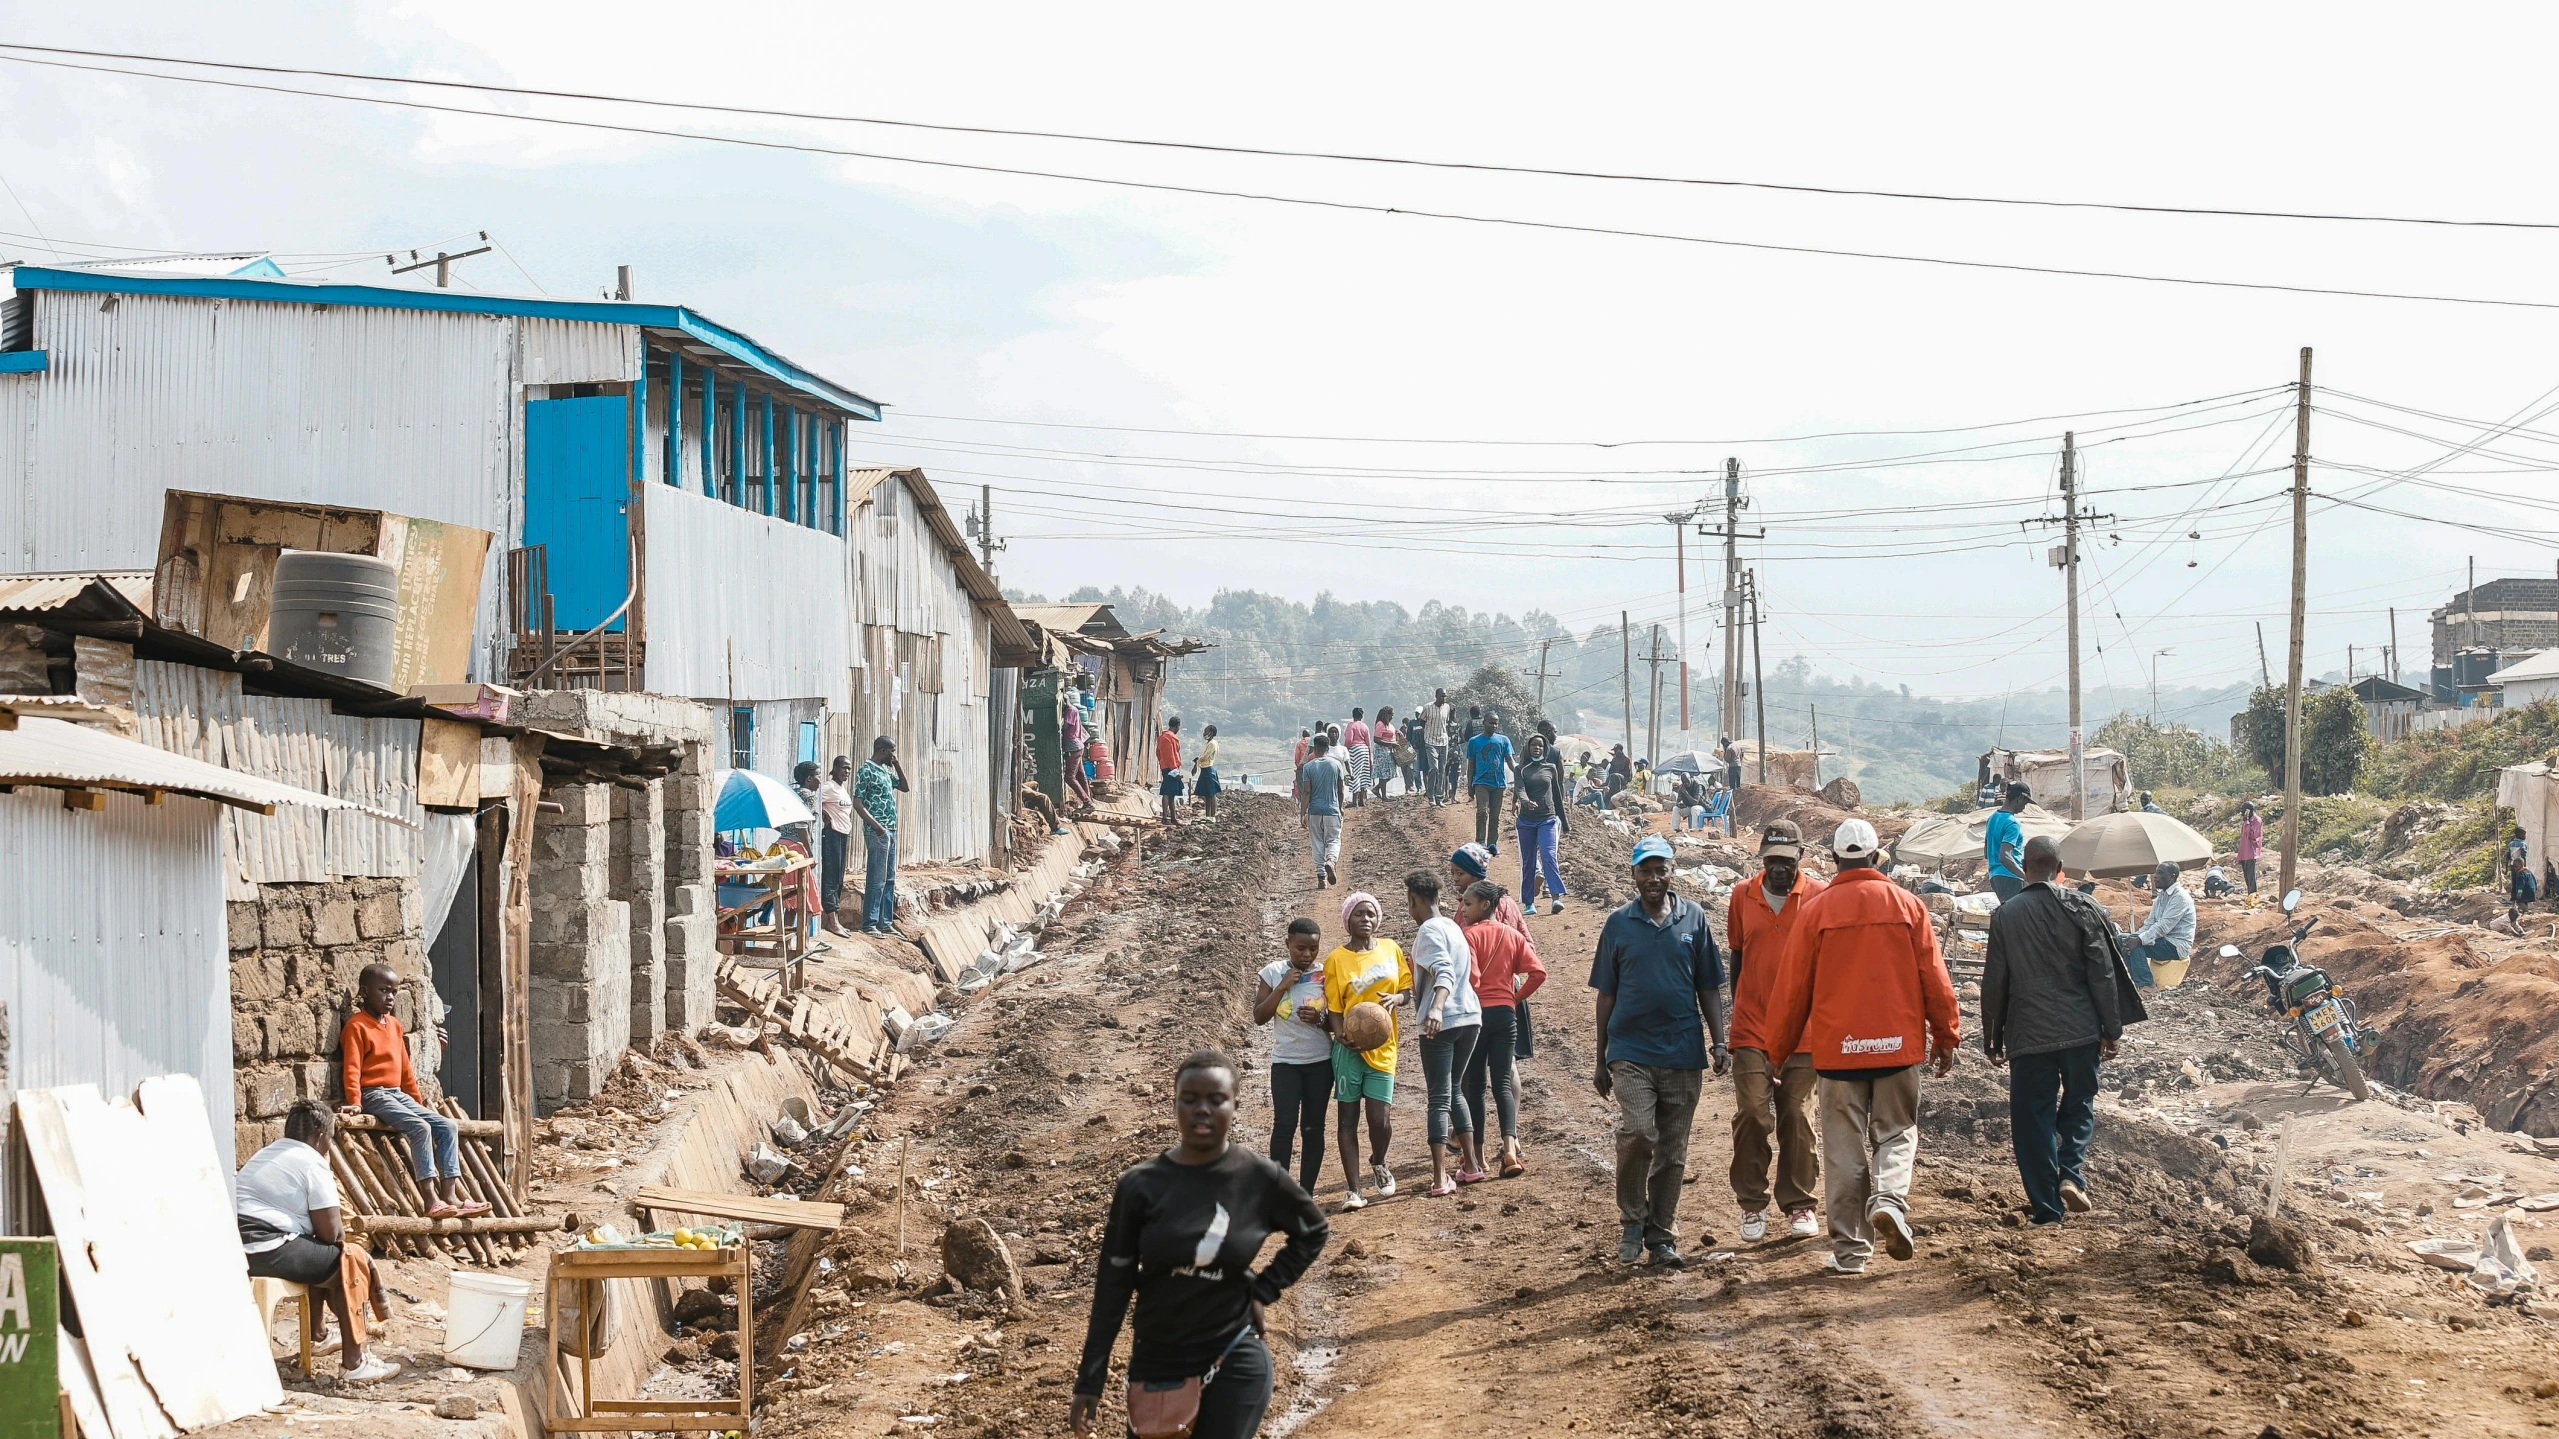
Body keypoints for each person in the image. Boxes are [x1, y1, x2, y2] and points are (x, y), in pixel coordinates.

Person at [1071, 1050, 1328, 1439]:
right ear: (1174, 1104)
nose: (1201, 1110)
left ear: (1235, 1104)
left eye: (1216, 1099)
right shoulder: (1141, 1187)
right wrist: (1090, 1379)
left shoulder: (1258, 1178)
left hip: (1233, 1353)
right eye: (1189, 1100)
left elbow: (1313, 1230)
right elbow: (1112, 1286)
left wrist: (1264, 1289)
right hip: (1157, 1361)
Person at [1763, 818, 1959, 1276]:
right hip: (1898, 1049)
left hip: (1838, 1053)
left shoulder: (1815, 911)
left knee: (1843, 1152)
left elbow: (1792, 991)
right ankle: (1889, 1198)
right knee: (1896, 1133)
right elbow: (1935, 979)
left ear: (1835, 859)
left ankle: (1851, 1253)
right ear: (1876, 858)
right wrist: (1946, 1036)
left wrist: (1778, 1050)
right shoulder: (1908, 905)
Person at [1983, 835, 2147, 1227]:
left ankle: (2046, 1208)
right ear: (2060, 871)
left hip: (2028, 1035)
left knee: (2032, 1120)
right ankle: (2071, 1174)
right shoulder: (2085, 907)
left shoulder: (2005, 915)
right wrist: (2112, 1029)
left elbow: (1995, 982)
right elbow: (2103, 972)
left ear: (2024, 869)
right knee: (2079, 1104)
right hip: (2081, 1031)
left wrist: (1992, 1037)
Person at [1591, 834, 1729, 1268]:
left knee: (1673, 1149)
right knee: (1637, 1133)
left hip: (1683, 1050)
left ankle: (1661, 1236)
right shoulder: (1618, 923)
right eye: (1645, 870)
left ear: (1672, 871)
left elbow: (1708, 986)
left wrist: (1719, 1040)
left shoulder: (1694, 918)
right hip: (1629, 1050)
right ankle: (1633, 1221)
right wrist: (1600, 1056)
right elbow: (1605, 994)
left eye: (1660, 869)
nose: (1653, 878)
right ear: (1633, 875)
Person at [236, 1101, 400, 1382]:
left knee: (321, 1254)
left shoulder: (266, 1154)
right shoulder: (312, 1163)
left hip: (238, 1248)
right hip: (270, 1248)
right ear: (323, 1135)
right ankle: (354, 1362)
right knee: (350, 1258)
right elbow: (333, 1234)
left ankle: (318, 1335)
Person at [1725, 821, 1826, 1245]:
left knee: (1797, 1117)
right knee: (1753, 1114)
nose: (1778, 870)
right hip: (1752, 1028)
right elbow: (1737, 958)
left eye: (1786, 862)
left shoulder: (1820, 897)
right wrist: (1740, 1011)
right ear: (1762, 858)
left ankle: (1799, 1203)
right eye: (1771, 861)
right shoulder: (1741, 895)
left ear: (1800, 857)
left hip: (1804, 1032)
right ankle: (1752, 1203)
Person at [340, 963, 486, 1220]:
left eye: (394, 992)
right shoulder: (357, 1026)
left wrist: (416, 1101)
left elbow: (405, 1067)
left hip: (398, 1094)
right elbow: (352, 1067)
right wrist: (355, 1101)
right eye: (383, 990)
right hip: (374, 1094)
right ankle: (430, 1200)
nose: (389, 997)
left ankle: (450, 1196)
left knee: (447, 1127)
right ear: (364, 991)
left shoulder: (394, 1025)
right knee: (421, 1128)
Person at [1324, 892, 1410, 1209]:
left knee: (1380, 1121)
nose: (1366, 919)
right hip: (1349, 1051)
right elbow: (1334, 1006)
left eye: (1371, 914)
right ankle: (1353, 1189)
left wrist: (1398, 1000)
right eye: (1359, 914)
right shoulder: (1336, 959)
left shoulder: (1391, 949)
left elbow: (1405, 990)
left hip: (1384, 1047)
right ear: (1348, 920)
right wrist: (1339, 1032)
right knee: (1347, 1119)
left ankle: (1379, 1161)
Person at [1456, 880, 1545, 1180]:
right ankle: (1509, 1148)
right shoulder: (1513, 935)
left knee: (1476, 1086)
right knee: (1503, 1082)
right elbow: (1537, 972)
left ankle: (1478, 1158)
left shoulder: (1469, 935)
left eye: (1467, 904)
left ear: (1484, 905)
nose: (1463, 909)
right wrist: (1514, 997)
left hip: (1478, 1017)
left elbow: (1472, 977)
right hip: (1507, 1016)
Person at [1405, 872, 1484, 1196]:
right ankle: (1471, 1165)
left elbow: (1444, 972)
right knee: (1454, 1090)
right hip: (1470, 1017)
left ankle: (1439, 1178)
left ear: (1414, 900)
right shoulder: (1454, 927)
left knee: (1439, 1095)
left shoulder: (1428, 931)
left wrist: (1436, 1008)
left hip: (1445, 1020)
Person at [1253, 919, 1333, 1192]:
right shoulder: (1273, 972)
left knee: (1313, 1129)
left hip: (1320, 1063)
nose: (1307, 954)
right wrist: (1282, 987)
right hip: (1285, 1063)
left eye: (1313, 948)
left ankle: (1306, 1193)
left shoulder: (1326, 975)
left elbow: (1337, 1021)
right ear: (1287, 943)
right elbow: (1259, 1017)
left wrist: (1320, 1019)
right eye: (1300, 948)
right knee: (1284, 1125)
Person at [856, 736, 910, 935]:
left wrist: (897, 765)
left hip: (891, 829)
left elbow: (904, 787)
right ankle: (869, 923)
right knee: (876, 877)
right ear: (881, 750)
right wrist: (877, 827)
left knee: (889, 878)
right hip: (877, 831)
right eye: (891, 752)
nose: (893, 755)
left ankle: (884, 923)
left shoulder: (886, 770)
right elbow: (857, 803)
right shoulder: (866, 770)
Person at [1514, 734, 1570, 915]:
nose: (1537, 748)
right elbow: (1520, 789)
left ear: (1545, 749)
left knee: (1548, 856)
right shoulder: (1521, 769)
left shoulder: (1551, 768)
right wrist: (1525, 801)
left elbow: (1556, 795)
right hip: (1526, 821)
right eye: (1533, 746)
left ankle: (1556, 898)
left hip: (1548, 819)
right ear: (1528, 748)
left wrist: (1565, 821)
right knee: (1529, 861)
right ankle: (1529, 902)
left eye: (1540, 746)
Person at [2115, 861, 2193, 987]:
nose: (2155, 876)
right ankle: (2131, 982)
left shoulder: (2180, 897)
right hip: (2162, 940)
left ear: (2172, 876)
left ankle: (2146, 985)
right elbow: (2150, 923)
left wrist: (2139, 940)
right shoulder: (2161, 897)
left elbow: (2163, 927)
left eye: (2160, 873)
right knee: (2123, 939)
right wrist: (2134, 937)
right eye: (2155, 872)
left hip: (2176, 945)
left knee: (2138, 946)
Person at [1297, 734, 1346, 888]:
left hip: (1315, 811)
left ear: (1315, 749)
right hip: (1332, 810)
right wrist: (1340, 807)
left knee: (1317, 843)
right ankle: (1331, 860)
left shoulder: (1309, 767)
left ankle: (1321, 878)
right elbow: (1341, 789)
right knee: (1334, 840)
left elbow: (1306, 792)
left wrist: (1302, 813)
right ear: (1327, 748)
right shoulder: (1337, 765)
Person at [816, 756, 857, 937]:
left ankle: (836, 919)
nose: (846, 772)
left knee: (839, 878)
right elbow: (812, 799)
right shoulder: (828, 787)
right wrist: (824, 813)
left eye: (849, 769)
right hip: (831, 835)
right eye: (843, 768)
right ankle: (832, 921)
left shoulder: (841, 789)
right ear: (835, 768)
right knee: (831, 878)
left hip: (842, 835)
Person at [1467, 714, 1515, 854]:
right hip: (1481, 782)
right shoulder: (1474, 741)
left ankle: (1492, 843)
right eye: (1491, 723)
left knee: (1495, 816)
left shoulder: (1504, 740)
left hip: (1498, 783)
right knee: (1482, 811)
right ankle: (1480, 840)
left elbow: (1510, 760)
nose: (1494, 726)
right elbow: (1471, 765)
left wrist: (1518, 773)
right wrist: (1470, 785)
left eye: (1496, 723)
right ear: (1484, 723)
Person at [1986, 782, 2030, 904]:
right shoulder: (2012, 823)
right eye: (2025, 803)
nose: (2024, 808)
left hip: (1994, 875)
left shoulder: (1992, 818)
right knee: (2014, 917)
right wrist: (2025, 876)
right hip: (2010, 876)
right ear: (2019, 799)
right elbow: (2004, 856)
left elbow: (1986, 852)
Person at [1419, 690, 1454, 805]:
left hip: (1443, 741)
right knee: (1434, 768)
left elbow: (1446, 722)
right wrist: (1428, 732)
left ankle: (1439, 797)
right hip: (1430, 741)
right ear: (1436, 696)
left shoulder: (1447, 707)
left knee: (1442, 770)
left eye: (1445, 696)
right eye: (1441, 696)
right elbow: (1422, 722)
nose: (1443, 698)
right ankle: (1430, 796)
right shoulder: (1428, 707)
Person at [1061, 698, 1094, 811]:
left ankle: (1087, 802)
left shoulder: (1070, 711)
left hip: (1073, 747)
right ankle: (1088, 801)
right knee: (1080, 775)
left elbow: (1065, 726)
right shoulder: (1074, 709)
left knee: (1069, 777)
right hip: (1078, 746)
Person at [1157, 716, 1187, 826]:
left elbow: (1158, 753)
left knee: (1169, 793)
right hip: (1171, 768)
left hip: (1165, 767)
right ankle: (1166, 818)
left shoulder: (1162, 737)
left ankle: (1171, 818)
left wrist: (1163, 763)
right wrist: (1174, 770)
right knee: (1168, 793)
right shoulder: (1170, 738)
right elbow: (1171, 755)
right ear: (1177, 726)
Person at [1343, 708, 1374, 808]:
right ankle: (1362, 800)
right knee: (1363, 775)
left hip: (1355, 750)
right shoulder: (1364, 726)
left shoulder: (1351, 725)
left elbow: (1349, 740)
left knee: (1354, 774)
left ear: (1353, 715)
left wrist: (1345, 749)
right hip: (1364, 750)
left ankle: (1354, 801)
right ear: (1362, 716)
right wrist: (1370, 756)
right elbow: (1368, 743)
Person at [1192, 724, 1224, 820]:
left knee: (1211, 794)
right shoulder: (1207, 743)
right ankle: (1208, 815)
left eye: (1206, 731)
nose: (1204, 733)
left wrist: (1197, 760)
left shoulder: (1212, 744)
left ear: (1211, 733)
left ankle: (1212, 816)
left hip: (1209, 770)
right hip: (1204, 770)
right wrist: (1198, 761)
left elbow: (1205, 756)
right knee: (1206, 794)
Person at [1373, 707, 1400, 798]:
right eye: (1391, 714)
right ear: (1386, 714)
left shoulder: (1389, 725)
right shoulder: (1380, 724)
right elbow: (1376, 739)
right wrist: (1391, 744)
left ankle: (1377, 788)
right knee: (1383, 773)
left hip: (1389, 750)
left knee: (1391, 772)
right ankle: (1384, 796)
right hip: (1381, 751)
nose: (1392, 716)